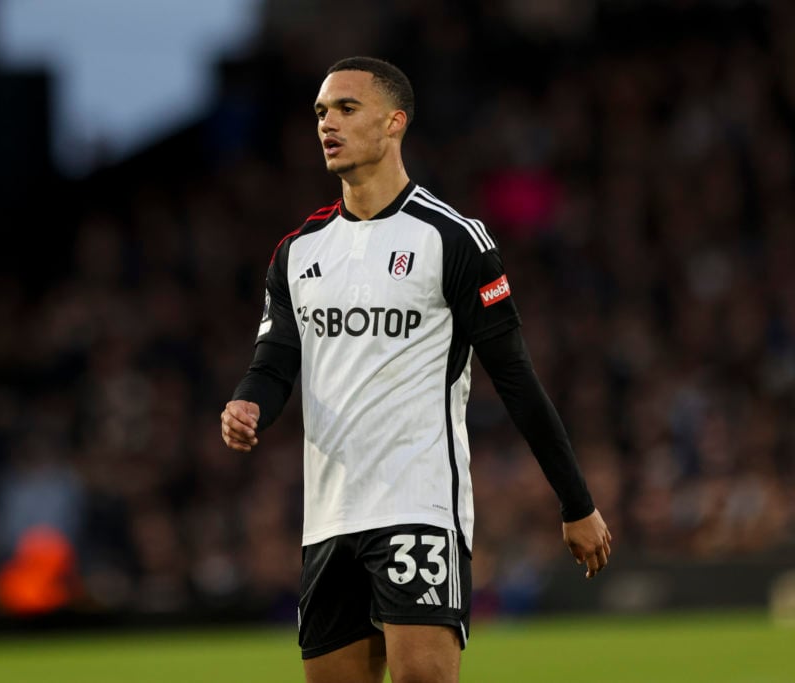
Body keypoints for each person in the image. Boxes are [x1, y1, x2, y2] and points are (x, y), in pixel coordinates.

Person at [220, 56, 611, 683]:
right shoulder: (297, 252)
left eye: (347, 108)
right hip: (329, 517)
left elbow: (514, 377)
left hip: (418, 501)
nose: (328, 123)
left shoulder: (453, 238)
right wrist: (248, 402)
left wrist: (576, 502)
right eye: (321, 111)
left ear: (394, 121)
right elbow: (274, 360)